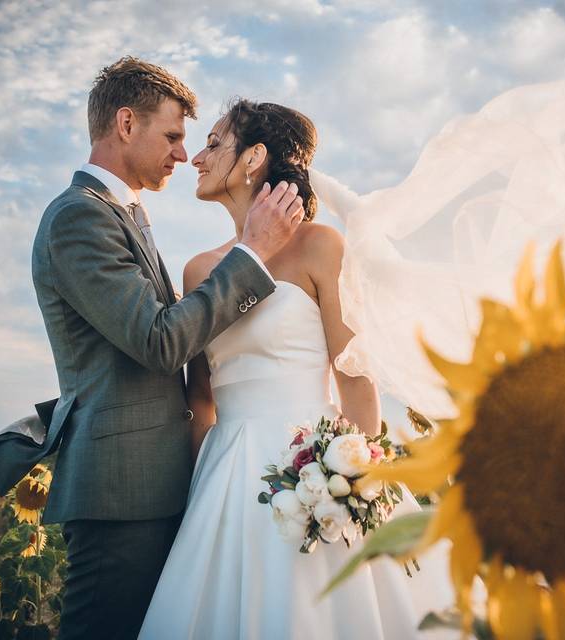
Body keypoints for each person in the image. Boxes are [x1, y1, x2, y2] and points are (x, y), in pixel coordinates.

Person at [0, 57, 305, 640]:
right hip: (119, 492)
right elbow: (158, 342)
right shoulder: (78, 218)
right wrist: (253, 254)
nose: (184, 156)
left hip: (163, 481)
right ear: (126, 124)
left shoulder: (124, 214)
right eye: (174, 136)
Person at [138, 100, 455, 639]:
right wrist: (193, 498)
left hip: (318, 464)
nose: (196, 156)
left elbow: (356, 381)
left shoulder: (321, 246)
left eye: (214, 143)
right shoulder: (200, 270)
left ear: (253, 157)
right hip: (225, 479)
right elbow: (202, 402)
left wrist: (352, 483)